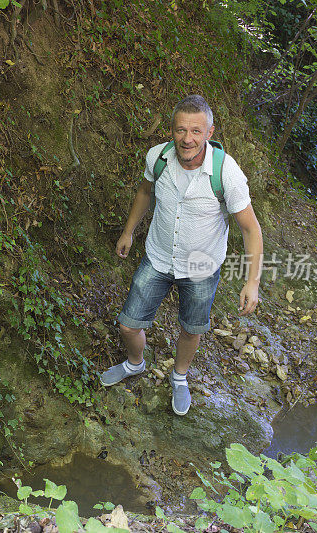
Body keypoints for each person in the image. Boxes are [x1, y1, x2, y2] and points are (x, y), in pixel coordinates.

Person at [99, 95, 263, 416]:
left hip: (202, 267)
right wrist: (128, 231)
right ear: (172, 130)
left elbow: (251, 229)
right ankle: (135, 364)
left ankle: (179, 376)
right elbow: (145, 193)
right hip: (158, 257)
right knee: (129, 325)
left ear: (210, 132)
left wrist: (252, 282)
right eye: (181, 130)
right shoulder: (157, 157)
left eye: (196, 131)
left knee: (192, 328)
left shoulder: (226, 174)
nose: (187, 139)